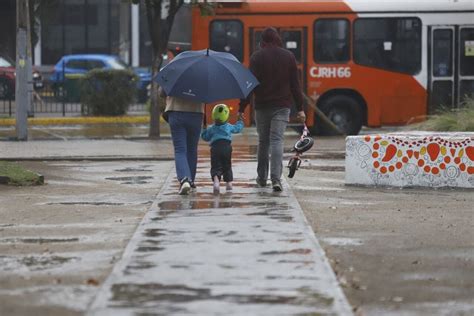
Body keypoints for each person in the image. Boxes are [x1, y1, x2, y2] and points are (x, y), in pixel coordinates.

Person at [238, 27, 306, 192]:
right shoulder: (288, 56)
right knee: (277, 141)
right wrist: (300, 108)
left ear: (263, 41)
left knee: (263, 142)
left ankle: (262, 178)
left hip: (262, 106)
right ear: (278, 40)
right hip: (282, 106)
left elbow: (250, 84)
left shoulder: (257, 57)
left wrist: (242, 107)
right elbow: (295, 85)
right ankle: (276, 179)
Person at [159, 87, 204, 195]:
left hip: (176, 111)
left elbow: (163, 92)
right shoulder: (202, 73)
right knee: (192, 150)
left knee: (180, 149)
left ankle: (184, 179)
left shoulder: (174, 71)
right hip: (196, 113)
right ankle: (191, 181)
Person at [201, 103, 244, 194]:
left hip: (215, 148)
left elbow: (205, 137)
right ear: (227, 117)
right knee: (227, 165)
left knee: (215, 166)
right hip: (226, 148)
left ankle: (216, 181)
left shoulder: (211, 128)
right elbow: (238, 129)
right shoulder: (228, 126)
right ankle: (229, 183)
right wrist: (240, 120)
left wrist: (204, 128)